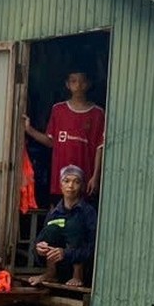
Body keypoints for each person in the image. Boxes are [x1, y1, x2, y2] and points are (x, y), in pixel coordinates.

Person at [24, 69, 106, 200]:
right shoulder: (58, 110)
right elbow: (51, 141)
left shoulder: (97, 113)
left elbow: (99, 148)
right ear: (67, 84)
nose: (78, 85)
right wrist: (29, 130)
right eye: (73, 81)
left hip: (85, 181)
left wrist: (95, 177)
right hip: (60, 181)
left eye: (82, 81)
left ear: (89, 84)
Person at [28, 164, 97, 287]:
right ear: (60, 185)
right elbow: (38, 243)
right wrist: (39, 249)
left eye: (76, 182)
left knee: (73, 225)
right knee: (52, 228)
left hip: (84, 267)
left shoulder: (88, 212)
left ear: (82, 186)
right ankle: (50, 273)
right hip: (60, 266)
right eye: (66, 181)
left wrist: (66, 253)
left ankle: (77, 275)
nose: (71, 186)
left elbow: (93, 248)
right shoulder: (54, 213)